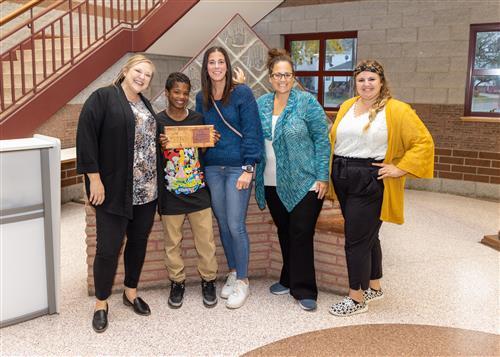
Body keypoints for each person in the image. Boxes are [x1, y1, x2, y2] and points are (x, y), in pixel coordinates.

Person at [328, 60, 434, 316]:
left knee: (355, 239)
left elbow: (423, 142)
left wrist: (400, 168)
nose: (366, 84)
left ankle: (356, 299)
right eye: (361, 79)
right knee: (368, 235)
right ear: (355, 83)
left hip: (369, 178)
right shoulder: (346, 106)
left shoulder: (397, 110)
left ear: (382, 82)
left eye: (371, 79)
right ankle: (374, 286)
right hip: (343, 174)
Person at [76, 54, 158, 333]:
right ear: (125, 70)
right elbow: (85, 137)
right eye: (138, 71)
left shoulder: (145, 104)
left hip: (146, 190)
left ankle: (130, 292)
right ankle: (101, 303)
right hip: (113, 190)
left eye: (147, 75)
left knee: (138, 242)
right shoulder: (102, 98)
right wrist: (94, 179)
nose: (142, 77)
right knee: (108, 249)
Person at [254, 49, 331, 312]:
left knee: (300, 233)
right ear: (270, 77)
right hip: (272, 181)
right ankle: (287, 279)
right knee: (285, 232)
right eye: (277, 75)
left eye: (287, 74)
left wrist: (323, 175)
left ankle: (305, 289)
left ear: (294, 76)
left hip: (306, 181)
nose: (282, 79)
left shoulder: (307, 103)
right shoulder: (262, 103)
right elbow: (252, 137)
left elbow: (322, 139)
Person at [195, 46, 263, 309]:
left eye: (220, 61)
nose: (216, 66)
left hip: (237, 168)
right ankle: (233, 272)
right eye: (211, 62)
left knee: (236, 225)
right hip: (213, 168)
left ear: (227, 64)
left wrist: (248, 168)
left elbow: (252, 131)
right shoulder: (202, 96)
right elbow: (198, 132)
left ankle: (244, 281)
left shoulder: (241, 93)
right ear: (206, 67)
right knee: (223, 224)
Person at [157, 72, 219, 309]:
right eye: (176, 92)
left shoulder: (198, 119)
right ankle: (177, 282)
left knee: (206, 241)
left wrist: (211, 140)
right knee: (172, 243)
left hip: (198, 192)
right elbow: (152, 159)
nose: (181, 97)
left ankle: (208, 281)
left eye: (185, 92)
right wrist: (158, 145)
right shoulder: (158, 121)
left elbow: (201, 154)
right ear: (167, 93)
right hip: (171, 194)